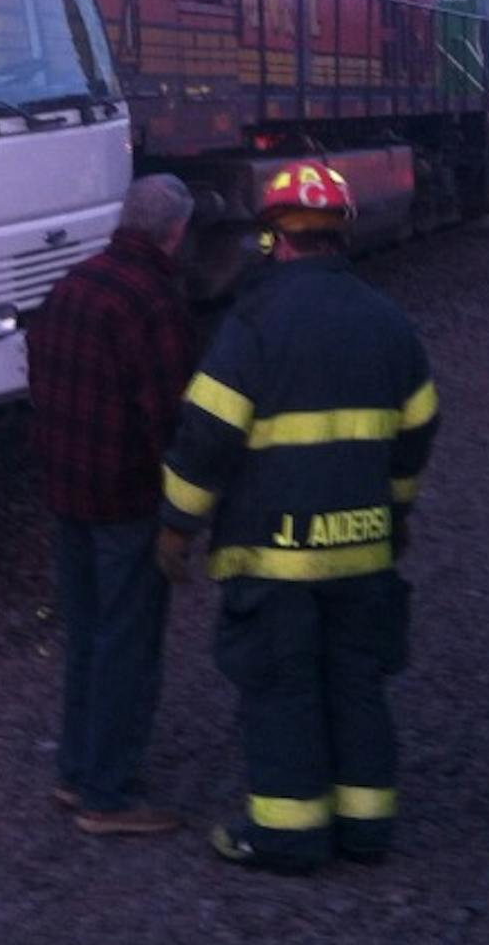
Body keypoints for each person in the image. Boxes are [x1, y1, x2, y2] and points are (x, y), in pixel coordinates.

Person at [157, 163, 437, 874]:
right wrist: (395, 512)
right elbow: (417, 427)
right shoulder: (389, 321)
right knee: (356, 684)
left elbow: (206, 440)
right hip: (364, 552)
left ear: (274, 239)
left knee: (280, 688)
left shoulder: (251, 324)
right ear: (339, 234)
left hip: (273, 555)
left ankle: (288, 834)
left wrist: (175, 527)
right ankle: (366, 827)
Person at [27, 174, 197, 837]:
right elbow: (170, 419)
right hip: (126, 503)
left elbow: (37, 381)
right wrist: (184, 513)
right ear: (174, 231)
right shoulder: (154, 303)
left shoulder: (70, 285)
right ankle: (109, 795)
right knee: (128, 643)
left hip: (67, 495)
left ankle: (75, 772)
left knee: (87, 637)